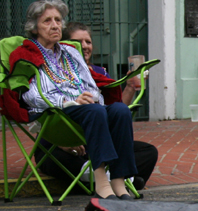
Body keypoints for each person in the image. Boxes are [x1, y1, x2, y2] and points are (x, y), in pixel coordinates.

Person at [16, 0, 137, 200]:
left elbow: (91, 85)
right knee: (95, 110)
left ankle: (118, 180)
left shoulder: (71, 51)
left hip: (87, 110)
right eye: (47, 21)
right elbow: (32, 96)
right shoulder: (26, 54)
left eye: (58, 20)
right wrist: (71, 100)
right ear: (34, 27)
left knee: (120, 110)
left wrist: (92, 97)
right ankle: (101, 182)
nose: (55, 25)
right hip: (58, 113)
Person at [31, 22, 159, 192]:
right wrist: (62, 143)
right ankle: (118, 179)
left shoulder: (99, 73)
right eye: (79, 41)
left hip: (97, 143)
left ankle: (95, 180)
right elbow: (44, 113)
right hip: (63, 141)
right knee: (52, 157)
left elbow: (114, 112)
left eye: (88, 42)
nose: (84, 46)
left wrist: (129, 87)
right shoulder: (53, 69)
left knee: (148, 152)